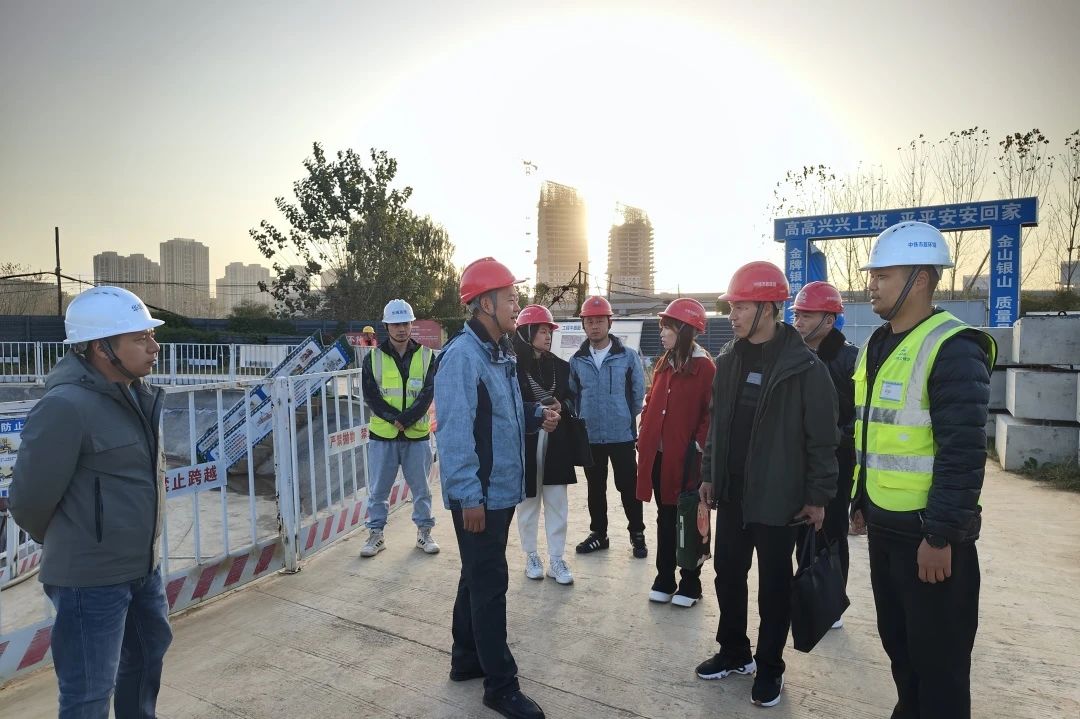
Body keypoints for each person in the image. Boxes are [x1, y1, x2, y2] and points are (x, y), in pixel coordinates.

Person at [851, 222, 995, 719]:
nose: (872, 285)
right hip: (885, 528)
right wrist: (859, 502)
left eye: (883, 276)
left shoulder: (954, 347)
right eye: (873, 275)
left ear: (921, 279)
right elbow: (870, 433)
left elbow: (963, 452)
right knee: (901, 649)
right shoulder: (878, 344)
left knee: (940, 665)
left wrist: (940, 536)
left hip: (928, 538)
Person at [9, 286, 172, 719]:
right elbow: (28, 501)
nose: (154, 347)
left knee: (146, 660)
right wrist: (79, 541)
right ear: (101, 348)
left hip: (142, 567)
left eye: (150, 335)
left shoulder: (136, 395)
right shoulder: (66, 406)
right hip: (90, 581)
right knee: (89, 692)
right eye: (139, 338)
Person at [696, 262, 839, 708]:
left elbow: (823, 439)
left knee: (774, 586)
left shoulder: (804, 367)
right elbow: (717, 426)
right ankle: (734, 651)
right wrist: (708, 475)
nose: (732, 315)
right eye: (731, 307)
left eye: (741, 307)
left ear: (768, 308)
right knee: (727, 575)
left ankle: (770, 666)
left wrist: (818, 497)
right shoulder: (728, 360)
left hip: (780, 498)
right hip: (732, 495)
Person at [435, 258, 559, 719]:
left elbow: (501, 412)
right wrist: (469, 497)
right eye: (510, 297)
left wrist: (536, 415)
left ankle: (466, 659)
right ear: (485, 304)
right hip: (480, 495)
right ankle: (500, 686)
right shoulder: (461, 357)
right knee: (490, 584)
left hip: (500, 490)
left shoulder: (500, 351)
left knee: (476, 574)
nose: (516, 305)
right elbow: (454, 434)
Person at [635, 298, 715, 607]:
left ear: (684, 330)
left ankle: (690, 583)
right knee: (665, 517)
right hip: (659, 457)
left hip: (686, 461)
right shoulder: (664, 362)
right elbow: (651, 400)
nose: (662, 333)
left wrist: (697, 446)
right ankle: (664, 578)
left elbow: (711, 414)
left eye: (667, 328)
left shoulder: (705, 367)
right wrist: (645, 428)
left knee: (691, 517)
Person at [791, 280, 858, 626]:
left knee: (830, 531)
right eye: (797, 314)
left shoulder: (849, 359)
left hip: (836, 460)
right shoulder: (792, 356)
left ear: (829, 320)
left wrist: (831, 438)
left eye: (806, 315)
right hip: (796, 459)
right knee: (800, 530)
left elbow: (861, 416)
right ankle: (805, 594)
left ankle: (830, 605)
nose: (798, 321)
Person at [569, 295, 647, 559]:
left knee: (628, 486)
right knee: (595, 488)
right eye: (589, 321)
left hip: (621, 435)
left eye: (600, 321)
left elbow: (637, 395)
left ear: (609, 323)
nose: (594, 326)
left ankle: (637, 533)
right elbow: (573, 395)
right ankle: (599, 534)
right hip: (591, 436)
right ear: (583, 324)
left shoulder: (627, 357)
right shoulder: (577, 360)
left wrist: (622, 416)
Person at [359, 298, 439, 557]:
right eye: (395, 324)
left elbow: (428, 392)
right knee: (379, 490)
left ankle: (424, 533)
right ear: (386, 326)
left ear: (411, 324)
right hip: (383, 435)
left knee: (421, 490)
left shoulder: (427, 356)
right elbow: (371, 395)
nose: (401, 329)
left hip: (416, 435)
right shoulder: (373, 357)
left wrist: (407, 419)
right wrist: (394, 418)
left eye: (405, 323)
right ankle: (376, 535)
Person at [512, 304, 577, 585]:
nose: (548, 336)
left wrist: (563, 406)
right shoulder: (512, 367)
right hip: (526, 443)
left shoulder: (561, 367)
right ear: (527, 332)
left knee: (557, 501)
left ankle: (557, 559)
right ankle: (531, 556)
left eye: (549, 331)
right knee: (528, 503)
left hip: (556, 443)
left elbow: (574, 399)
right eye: (541, 331)